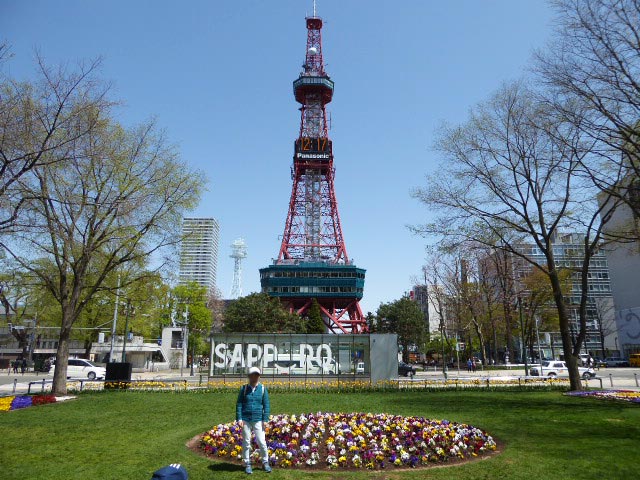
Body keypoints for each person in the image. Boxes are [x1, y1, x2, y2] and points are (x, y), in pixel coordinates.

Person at [236, 366, 271, 475]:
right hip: (246, 419)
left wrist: (265, 419)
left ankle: (265, 462)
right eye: (252, 375)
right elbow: (239, 404)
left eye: (256, 375)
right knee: (246, 442)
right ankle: (247, 463)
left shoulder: (263, 389)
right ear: (249, 376)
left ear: (259, 376)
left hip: (258, 419)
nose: (254, 377)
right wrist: (239, 418)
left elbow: (266, 405)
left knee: (262, 442)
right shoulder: (244, 389)